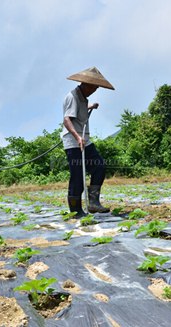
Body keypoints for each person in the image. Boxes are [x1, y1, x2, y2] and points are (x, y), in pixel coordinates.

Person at [61, 67, 115, 217]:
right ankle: (75, 211)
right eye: (94, 87)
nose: (95, 90)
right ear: (86, 84)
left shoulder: (83, 98)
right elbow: (67, 120)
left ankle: (93, 203)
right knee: (77, 176)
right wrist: (77, 138)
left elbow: (78, 111)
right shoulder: (73, 96)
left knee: (99, 167)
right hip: (74, 142)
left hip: (85, 139)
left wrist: (90, 106)